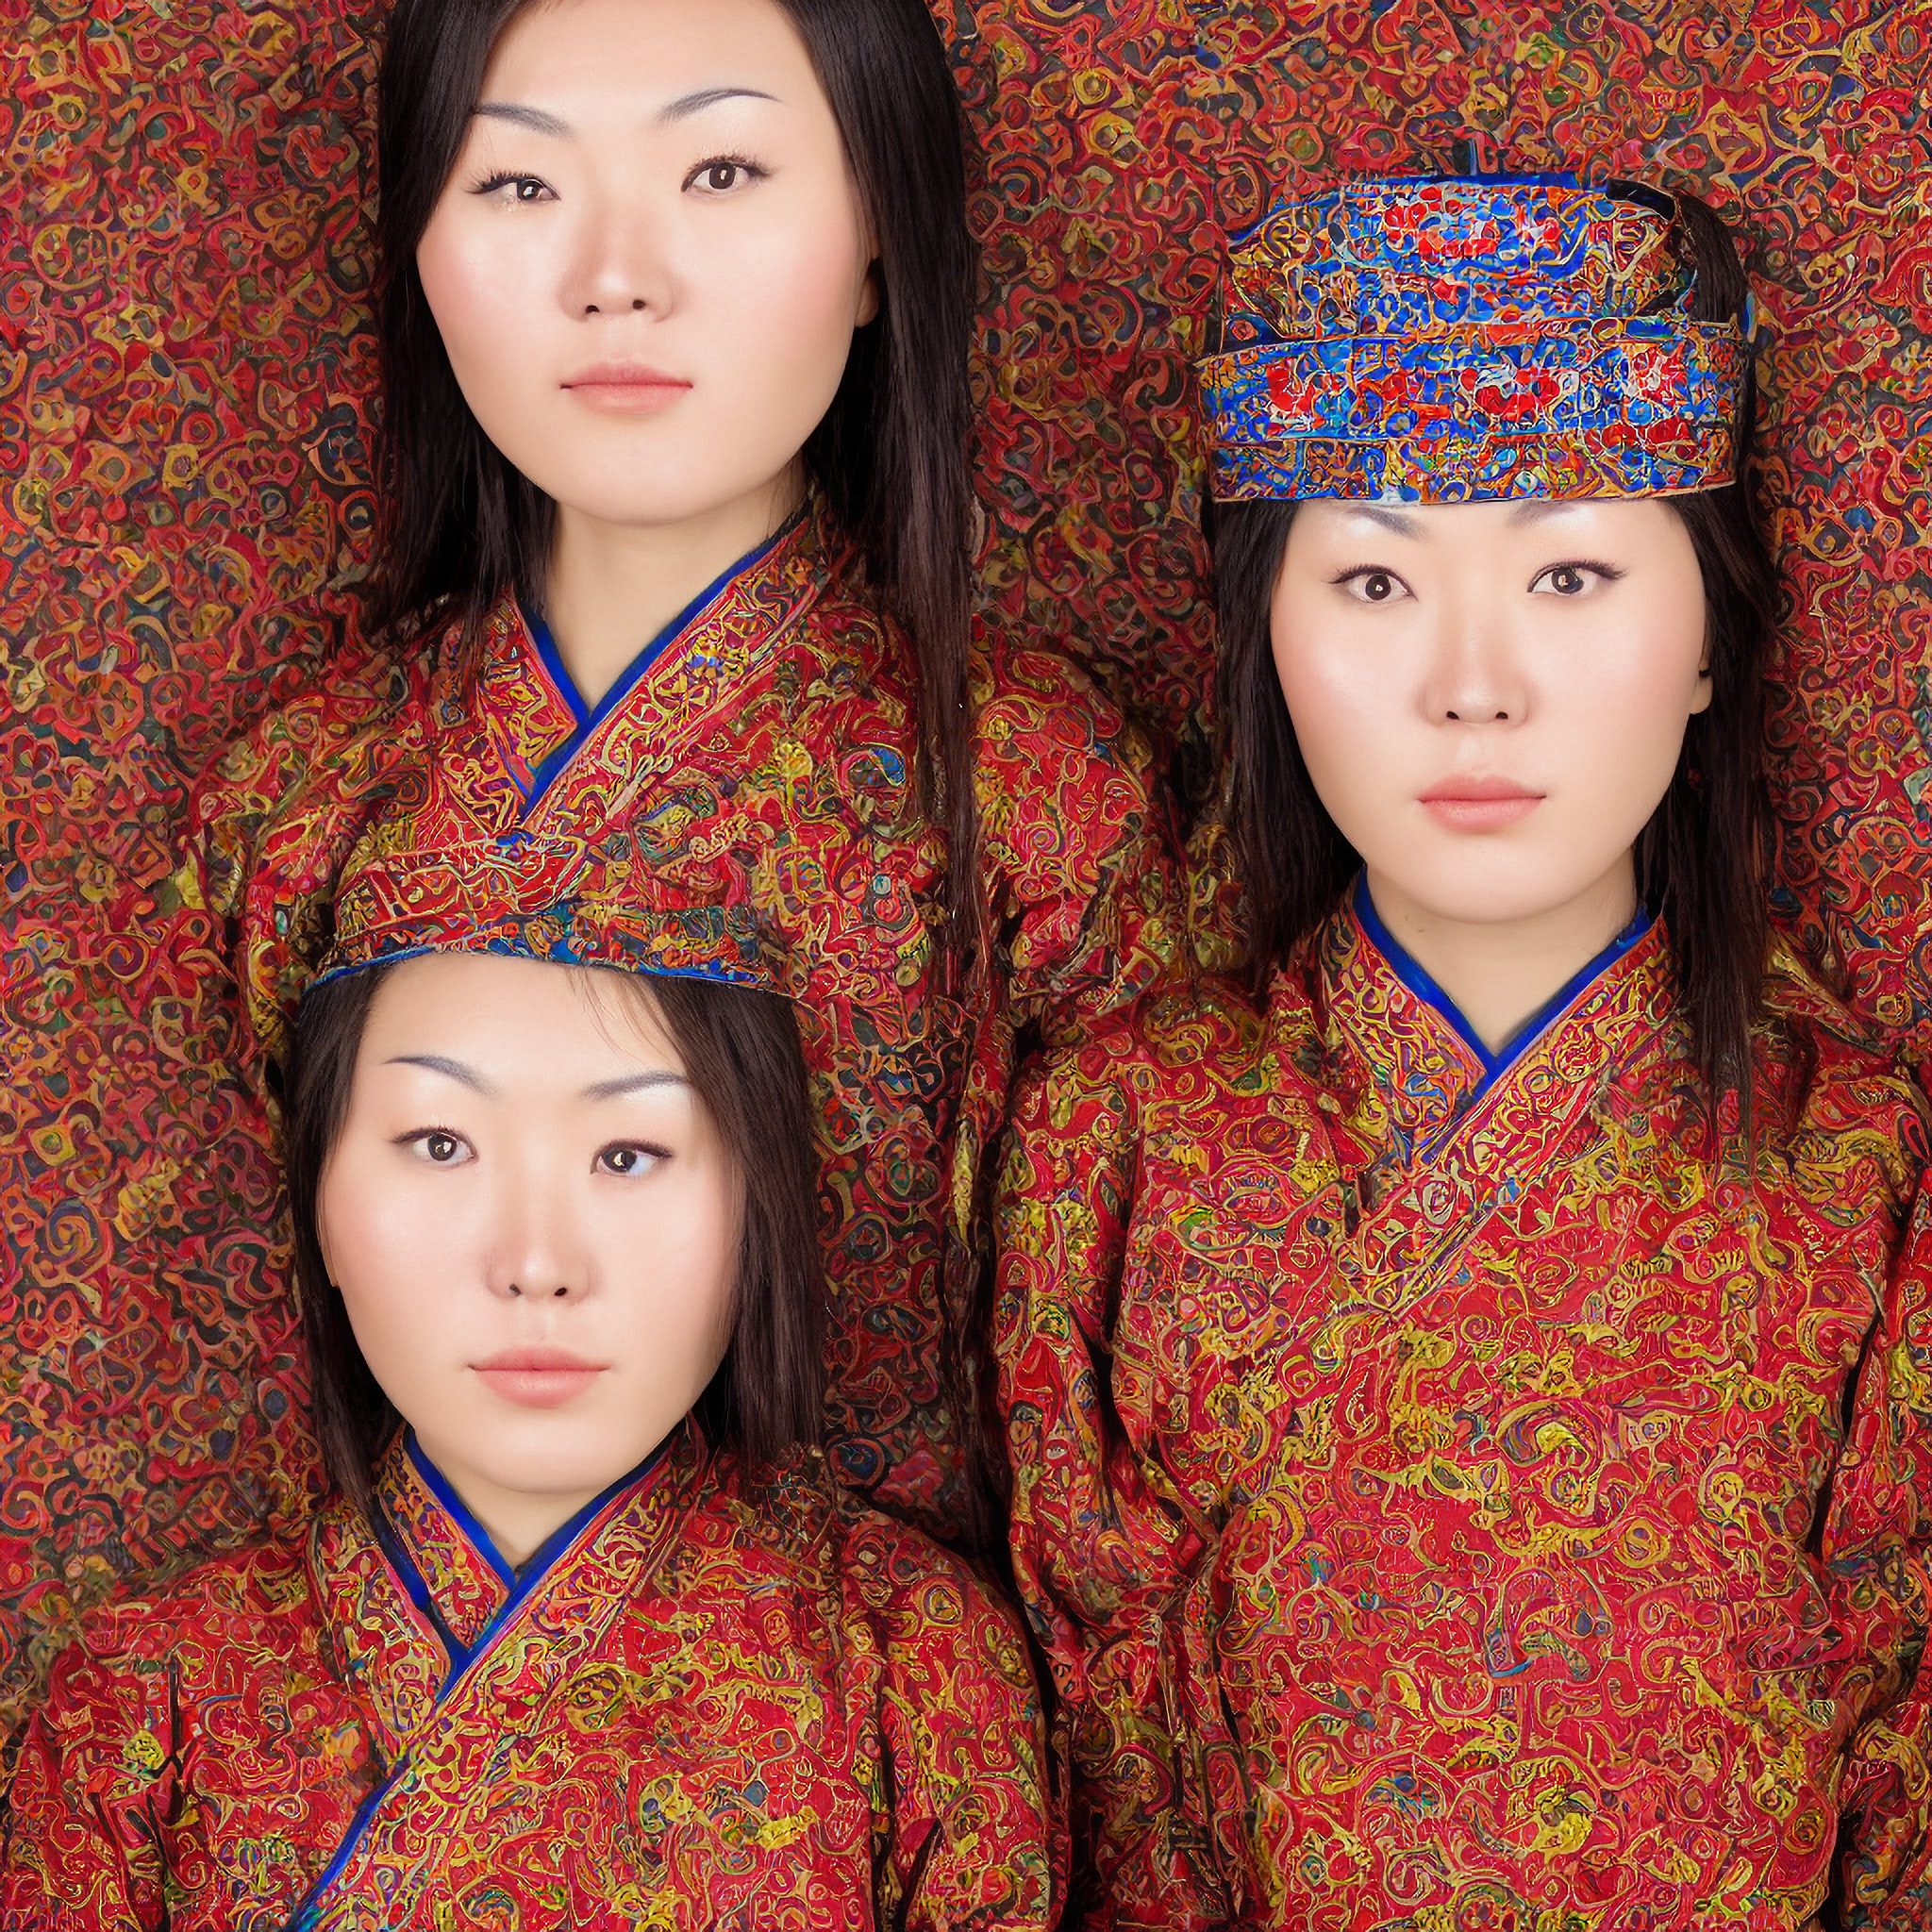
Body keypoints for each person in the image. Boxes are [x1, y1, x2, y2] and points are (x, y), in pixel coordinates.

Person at [993, 174, 1932, 1927]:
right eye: (1370, 576)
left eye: (1570, 568)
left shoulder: (1859, 1170)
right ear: (1262, 640)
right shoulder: (1119, 1132)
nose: (1472, 684)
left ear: (1716, 635)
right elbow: (1097, 1775)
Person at [174, 0, 1180, 1553]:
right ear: (417, 249)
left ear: (874, 241)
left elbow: (1133, 1428)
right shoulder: (303, 807)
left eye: (719, 173)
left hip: (895, 1741)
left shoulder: (1036, 796)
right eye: (519, 186)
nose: (613, 277)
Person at [0, 780, 1057, 1928]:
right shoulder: (139, 1710)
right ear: (318, 1202)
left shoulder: (912, 1667)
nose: (537, 1261)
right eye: (440, 1141)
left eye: (629, 1152)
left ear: (760, 1206)